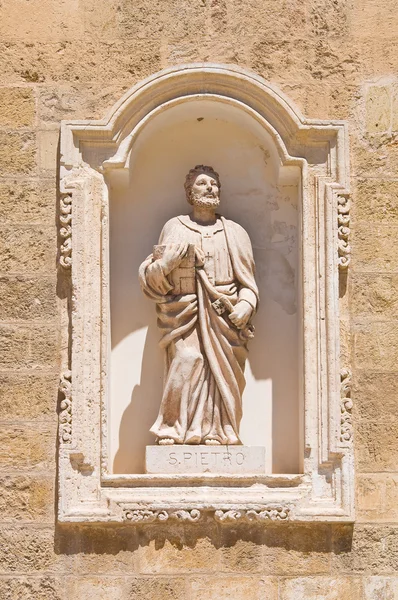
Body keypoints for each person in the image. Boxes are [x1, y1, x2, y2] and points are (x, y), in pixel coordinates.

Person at [139, 165, 259, 445]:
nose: (209, 188)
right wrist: (166, 264)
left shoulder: (235, 232)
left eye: (214, 184)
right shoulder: (175, 227)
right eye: (202, 183)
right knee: (188, 359)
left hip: (224, 316)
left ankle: (218, 431)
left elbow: (249, 283)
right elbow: (152, 276)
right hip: (184, 312)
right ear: (189, 192)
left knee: (221, 374)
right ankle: (172, 429)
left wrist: (245, 304)